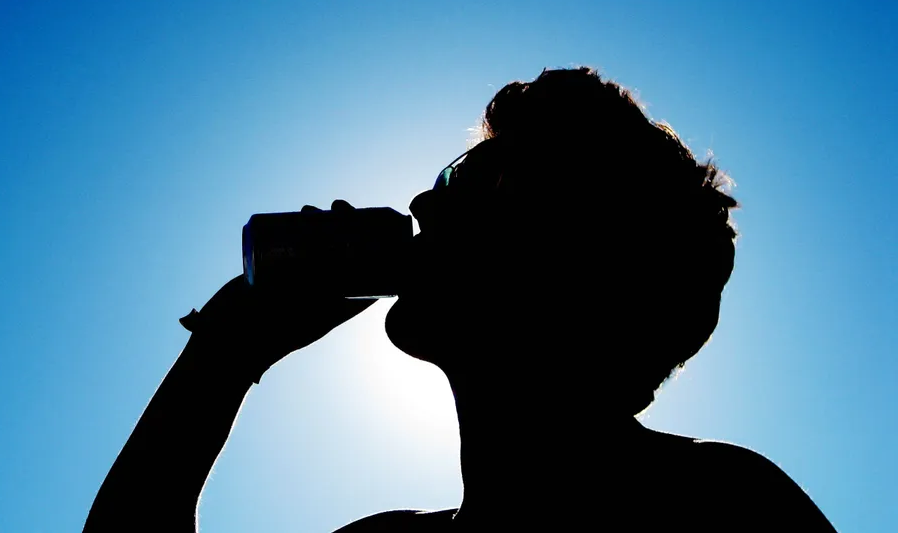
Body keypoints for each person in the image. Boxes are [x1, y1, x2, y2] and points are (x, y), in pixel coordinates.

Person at [82, 67, 837, 531]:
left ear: (576, 256)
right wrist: (225, 347)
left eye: (469, 181)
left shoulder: (720, 505)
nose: (421, 199)